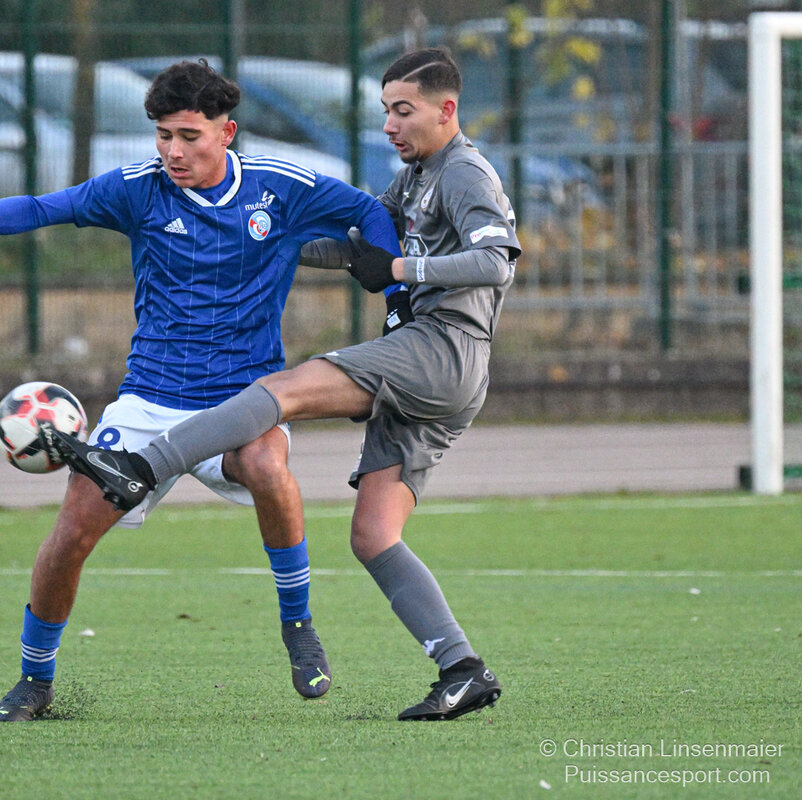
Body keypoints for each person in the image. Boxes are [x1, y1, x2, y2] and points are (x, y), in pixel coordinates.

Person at [0, 59, 400, 721]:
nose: (174, 151)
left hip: (244, 398)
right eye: (164, 135)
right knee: (72, 532)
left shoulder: (280, 188)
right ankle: (35, 680)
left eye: (189, 136)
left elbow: (368, 210)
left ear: (227, 132)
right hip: (149, 399)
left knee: (265, 466)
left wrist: (392, 284)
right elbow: (46, 207)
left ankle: (298, 625)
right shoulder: (136, 190)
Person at [48, 47, 521, 722]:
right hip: (436, 368)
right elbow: (354, 245)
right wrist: (263, 239)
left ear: (447, 110)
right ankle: (463, 669)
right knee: (374, 536)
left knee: (285, 389)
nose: (389, 124)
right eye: (385, 110)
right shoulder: (416, 176)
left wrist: (400, 272)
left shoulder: (465, 171)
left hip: (441, 349)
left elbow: (495, 262)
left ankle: (139, 467)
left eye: (403, 111)